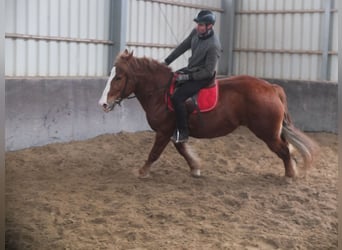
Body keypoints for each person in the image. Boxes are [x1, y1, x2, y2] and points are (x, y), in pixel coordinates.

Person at [164, 10, 222, 143]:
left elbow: (208, 72)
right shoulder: (196, 32)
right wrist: (166, 62)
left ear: (209, 26)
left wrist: (186, 78)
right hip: (192, 69)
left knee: (178, 98)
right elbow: (182, 47)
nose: (198, 27)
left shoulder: (214, 46)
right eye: (198, 24)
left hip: (203, 76)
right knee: (170, 81)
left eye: (201, 25)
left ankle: (183, 132)